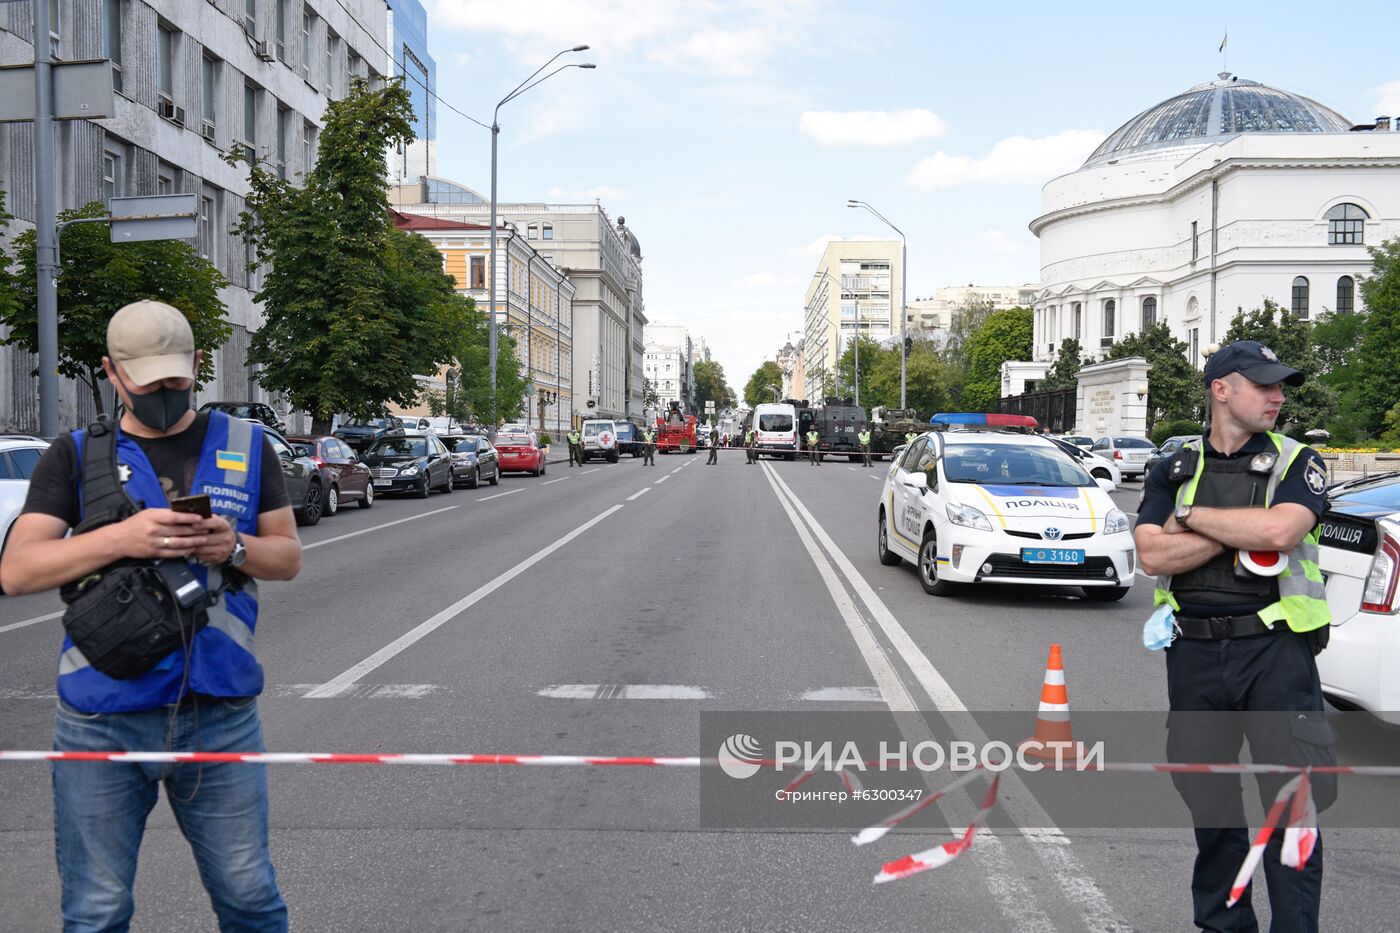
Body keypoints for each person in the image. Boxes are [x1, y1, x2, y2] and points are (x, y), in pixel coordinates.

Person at [0, 300, 303, 932]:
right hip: (100, 717)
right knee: (96, 910)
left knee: (250, 899)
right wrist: (122, 538)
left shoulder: (248, 447)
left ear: (199, 364)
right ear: (112, 374)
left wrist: (236, 547)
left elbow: (288, 557)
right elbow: (17, 570)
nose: (166, 393)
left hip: (219, 715)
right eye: (149, 382)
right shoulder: (75, 456)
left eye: (177, 379)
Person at [1133, 340, 1334, 933]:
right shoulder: (1175, 467)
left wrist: (1191, 518)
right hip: (1192, 652)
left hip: (1274, 651)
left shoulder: (1298, 462)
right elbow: (1149, 553)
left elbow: (1281, 528)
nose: (1278, 396)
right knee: (1212, 809)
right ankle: (1225, 926)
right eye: (1264, 385)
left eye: (1280, 387)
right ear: (1222, 390)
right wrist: (1241, 533)